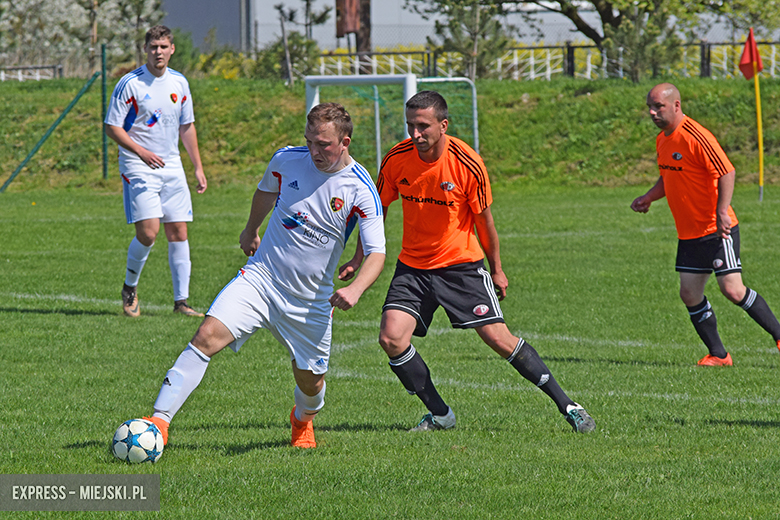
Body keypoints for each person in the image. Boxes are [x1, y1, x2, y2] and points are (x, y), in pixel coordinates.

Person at [340, 91, 595, 433]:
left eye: (423, 126)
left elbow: (484, 222)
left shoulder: (466, 162)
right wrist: (359, 257)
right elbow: (376, 210)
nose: (415, 134)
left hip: (461, 267)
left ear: (443, 125)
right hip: (413, 267)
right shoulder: (396, 159)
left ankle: (569, 406)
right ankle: (441, 415)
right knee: (391, 338)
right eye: (410, 125)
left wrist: (498, 269)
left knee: (499, 339)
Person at [143, 103, 386, 449]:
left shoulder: (361, 188)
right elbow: (266, 192)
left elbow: (377, 252)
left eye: (324, 144)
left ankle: (302, 420)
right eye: (310, 141)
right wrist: (250, 229)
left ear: (345, 141)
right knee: (206, 336)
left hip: (310, 301)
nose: (314, 151)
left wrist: (357, 289)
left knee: (311, 383)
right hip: (261, 279)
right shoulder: (287, 160)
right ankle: (158, 424)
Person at [631, 83, 780, 366]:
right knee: (689, 293)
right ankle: (719, 354)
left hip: (715, 228)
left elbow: (726, 171)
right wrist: (649, 197)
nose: (652, 113)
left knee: (733, 290)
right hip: (689, 233)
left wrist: (722, 211)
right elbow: (669, 176)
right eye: (649, 107)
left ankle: (779, 335)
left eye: (658, 107)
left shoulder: (696, 136)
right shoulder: (663, 140)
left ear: (676, 105)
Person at [105, 25, 208, 318]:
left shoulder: (180, 83)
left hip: (172, 165)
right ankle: (130, 288)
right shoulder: (130, 84)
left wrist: (197, 167)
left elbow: (186, 127)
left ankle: (182, 302)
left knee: (178, 230)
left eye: (163, 47)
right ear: (145, 50)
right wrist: (142, 152)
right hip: (138, 165)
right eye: (153, 47)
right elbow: (112, 126)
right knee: (149, 233)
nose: (158, 52)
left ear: (172, 49)